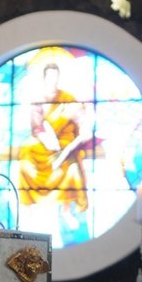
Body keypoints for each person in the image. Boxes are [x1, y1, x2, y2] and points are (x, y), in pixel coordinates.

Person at [19, 62, 92, 228]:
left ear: (58, 77)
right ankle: (29, 206)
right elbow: (37, 126)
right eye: (49, 76)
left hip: (66, 140)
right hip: (45, 140)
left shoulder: (68, 98)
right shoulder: (38, 99)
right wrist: (47, 140)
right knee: (26, 153)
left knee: (71, 166)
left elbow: (81, 121)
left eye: (55, 75)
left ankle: (66, 210)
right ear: (45, 77)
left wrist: (82, 131)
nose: (52, 79)